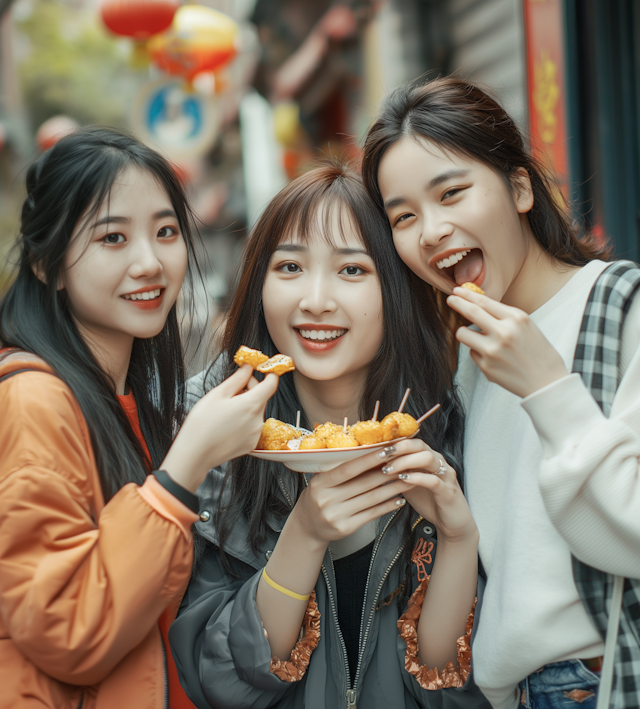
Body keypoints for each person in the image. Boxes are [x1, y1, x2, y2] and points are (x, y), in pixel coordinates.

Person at [361, 77, 640, 709]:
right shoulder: (462, 360)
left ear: (519, 187)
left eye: (452, 192)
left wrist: (548, 389)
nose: (431, 231)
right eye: (403, 216)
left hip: (601, 683)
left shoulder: (622, 308)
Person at [170, 163, 488, 709]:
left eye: (352, 270)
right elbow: (219, 683)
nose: (315, 300)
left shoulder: (450, 424)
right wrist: (306, 533)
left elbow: (446, 688)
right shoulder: (209, 435)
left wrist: (457, 539)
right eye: (290, 266)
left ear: (396, 287)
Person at [0, 129, 278, 709]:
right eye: (113, 237)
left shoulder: (126, 401)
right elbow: (70, 632)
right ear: (47, 264)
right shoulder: (34, 403)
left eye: (166, 232)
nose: (149, 262)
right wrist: (184, 470)